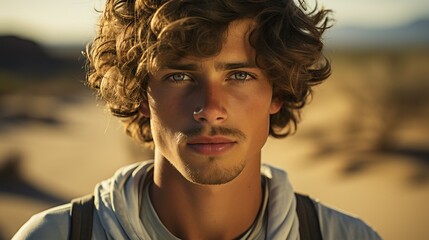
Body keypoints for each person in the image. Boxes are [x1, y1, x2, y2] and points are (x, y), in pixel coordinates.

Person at [13, 0, 381, 239]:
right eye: (179, 76)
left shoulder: (345, 235)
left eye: (239, 75)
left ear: (278, 92)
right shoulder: (56, 235)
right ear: (141, 94)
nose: (210, 108)